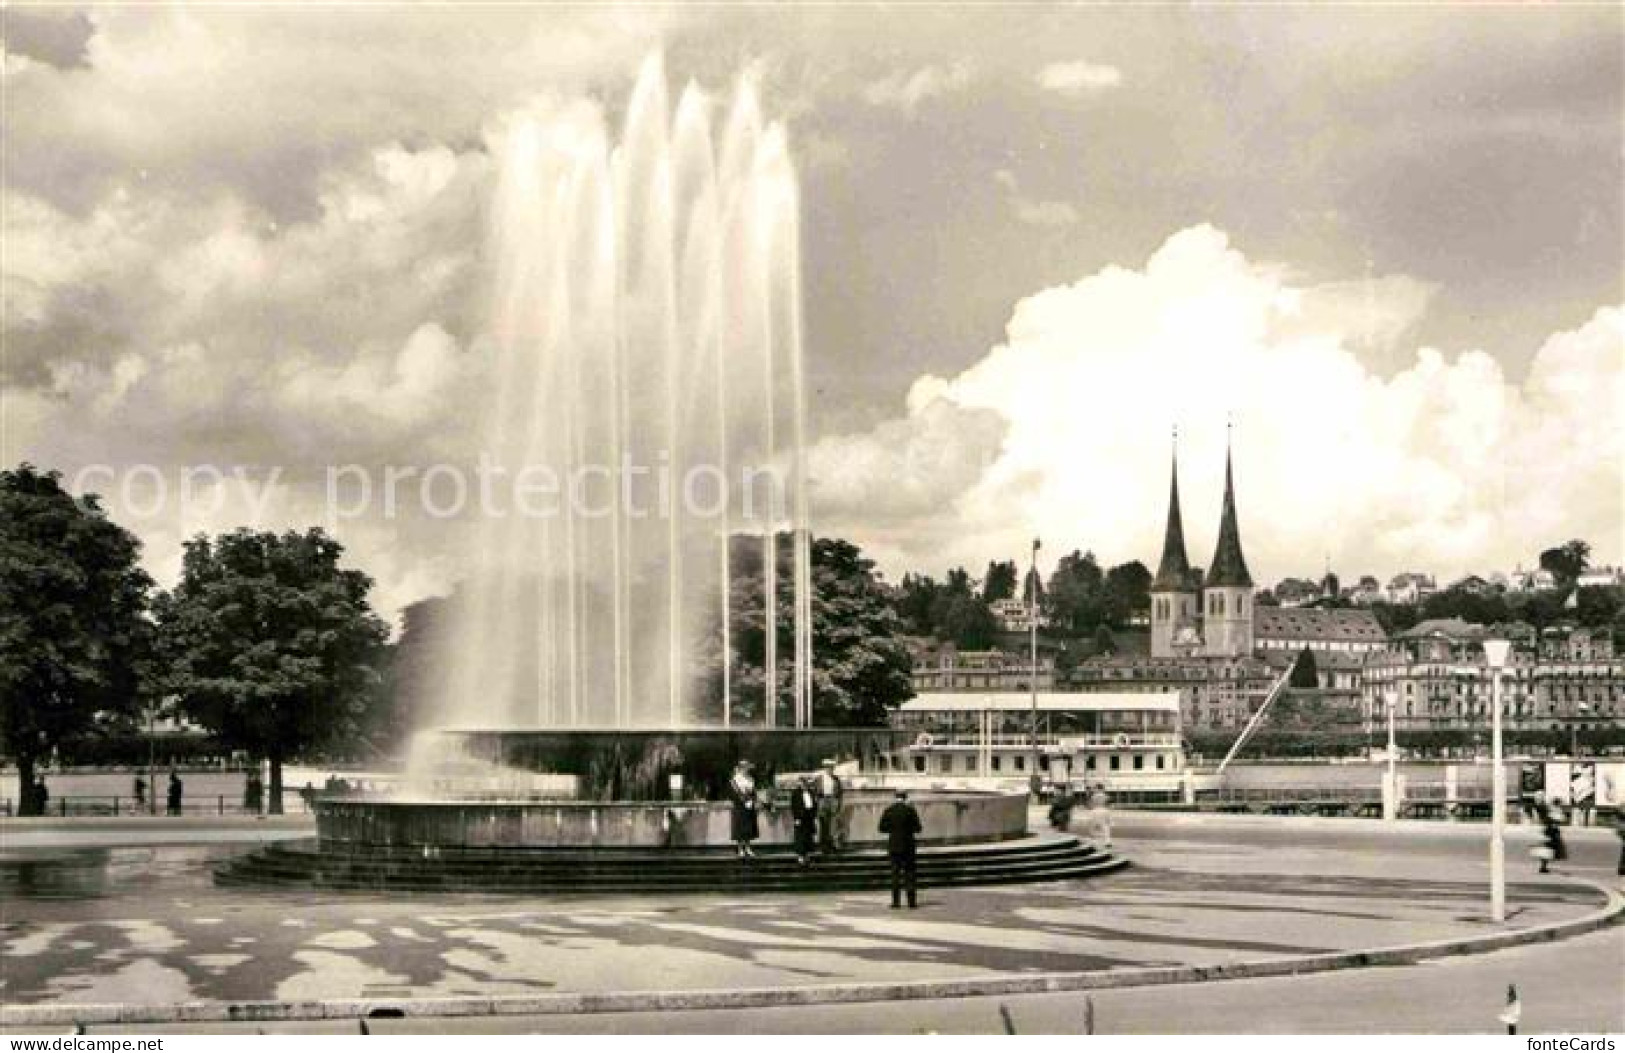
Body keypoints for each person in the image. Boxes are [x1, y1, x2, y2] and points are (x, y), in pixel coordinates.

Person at [878, 789, 923, 909]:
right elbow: (918, 828)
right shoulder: (910, 810)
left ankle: (896, 902)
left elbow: (881, 828)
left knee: (895, 875)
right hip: (908, 845)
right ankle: (911, 902)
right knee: (910, 874)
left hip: (894, 845)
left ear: (895, 797)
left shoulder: (889, 810)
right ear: (905, 798)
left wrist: (893, 829)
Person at [726, 760, 759, 859]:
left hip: (749, 806)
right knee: (740, 828)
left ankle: (748, 848)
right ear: (740, 768)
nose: (746, 770)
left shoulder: (751, 779)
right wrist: (742, 800)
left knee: (749, 828)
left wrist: (752, 800)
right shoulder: (734, 780)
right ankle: (740, 849)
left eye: (747, 768)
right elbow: (731, 794)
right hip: (739, 806)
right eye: (744, 768)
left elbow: (753, 793)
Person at [816, 758, 845, 855]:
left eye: (831, 768)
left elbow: (840, 793)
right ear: (825, 768)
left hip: (833, 801)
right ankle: (824, 846)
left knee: (834, 824)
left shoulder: (836, 779)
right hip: (823, 801)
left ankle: (834, 845)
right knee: (823, 825)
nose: (830, 769)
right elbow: (816, 792)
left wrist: (839, 803)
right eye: (828, 768)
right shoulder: (820, 778)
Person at [789, 776, 820, 866]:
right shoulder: (795, 793)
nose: (803, 785)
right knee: (800, 837)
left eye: (804, 783)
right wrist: (796, 818)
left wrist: (814, 814)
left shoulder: (811, 792)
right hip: (800, 818)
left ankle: (806, 855)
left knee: (808, 837)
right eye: (801, 783)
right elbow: (793, 807)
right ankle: (800, 857)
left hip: (809, 817)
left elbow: (814, 804)